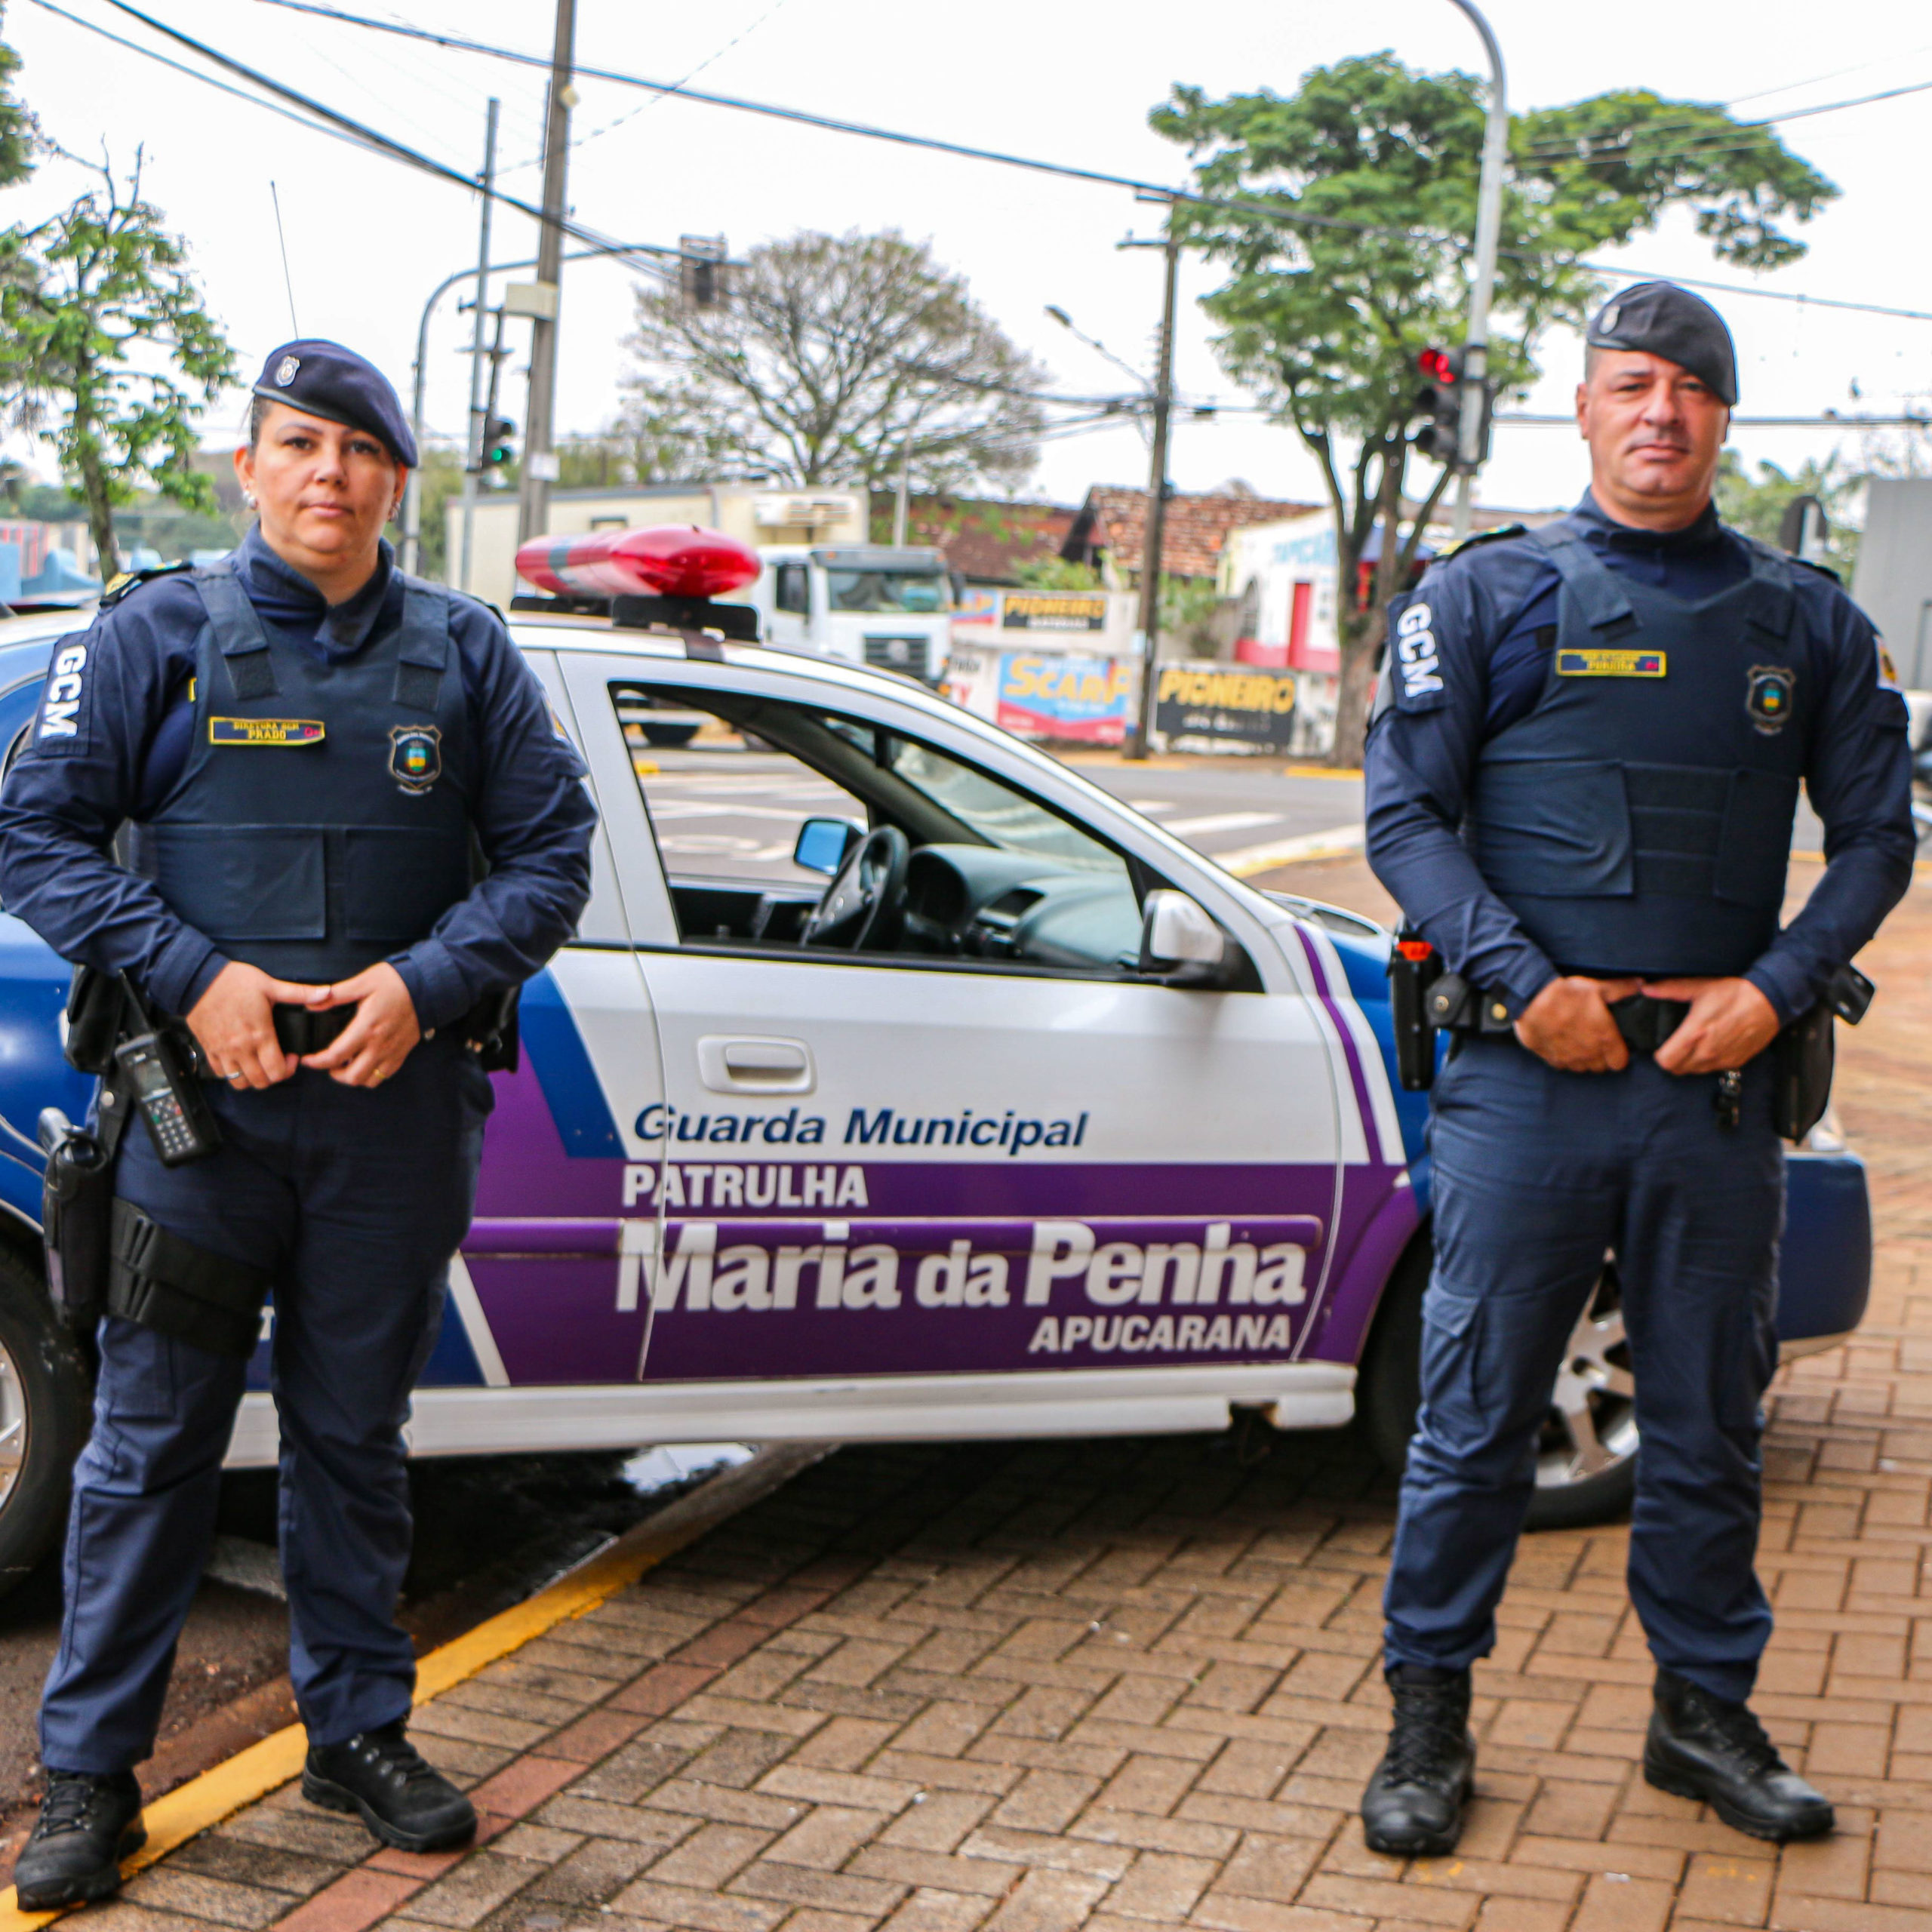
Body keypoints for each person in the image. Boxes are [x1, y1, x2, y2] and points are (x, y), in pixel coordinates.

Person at [0, 340, 598, 1909]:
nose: (327, 472)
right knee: (147, 1449)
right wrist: (193, 978)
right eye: (297, 444)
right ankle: (86, 1776)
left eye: (356, 448)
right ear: (250, 467)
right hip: (196, 1126)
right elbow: (33, 833)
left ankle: (357, 1732)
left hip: (388, 1121)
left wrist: (424, 979)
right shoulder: (153, 636)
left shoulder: (466, 654)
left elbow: (549, 859)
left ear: (397, 479)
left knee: (354, 1439)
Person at [1359, 282, 1915, 1857]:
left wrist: (1778, 984)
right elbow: (1403, 815)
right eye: (1627, 383)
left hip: (1716, 1088)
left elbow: (1878, 833)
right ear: (1584, 408)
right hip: (1524, 1083)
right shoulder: (1482, 597)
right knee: (1470, 1416)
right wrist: (1520, 983)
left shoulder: (1801, 619)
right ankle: (1426, 1715)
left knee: (1706, 1417)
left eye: (1687, 385)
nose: (1657, 410)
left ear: (1722, 416)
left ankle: (1699, 1710)